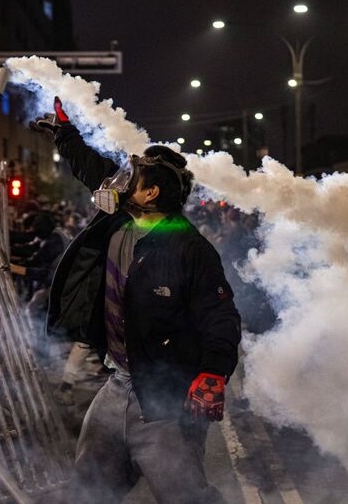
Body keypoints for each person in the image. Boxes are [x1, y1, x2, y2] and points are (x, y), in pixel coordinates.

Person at [32, 98, 241, 503]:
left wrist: (213, 373)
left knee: (186, 496)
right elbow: (94, 171)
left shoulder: (189, 248)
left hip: (166, 400)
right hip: (117, 387)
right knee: (89, 488)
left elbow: (219, 315)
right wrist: (65, 133)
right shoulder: (121, 221)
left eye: (131, 177)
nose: (117, 182)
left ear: (151, 193)